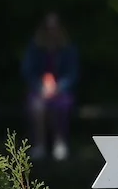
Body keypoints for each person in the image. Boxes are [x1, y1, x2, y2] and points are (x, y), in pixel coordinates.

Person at [21, 12, 79, 161]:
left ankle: (60, 142)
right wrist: (40, 87)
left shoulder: (68, 49)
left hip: (61, 91)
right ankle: (39, 144)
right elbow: (28, 72)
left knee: (61, 106)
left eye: (55, 28)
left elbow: (72, 74)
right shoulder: (35, 48)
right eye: (48, 29)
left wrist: (59, 87)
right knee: (37, 106)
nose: (52, 32)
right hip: (39, 90)